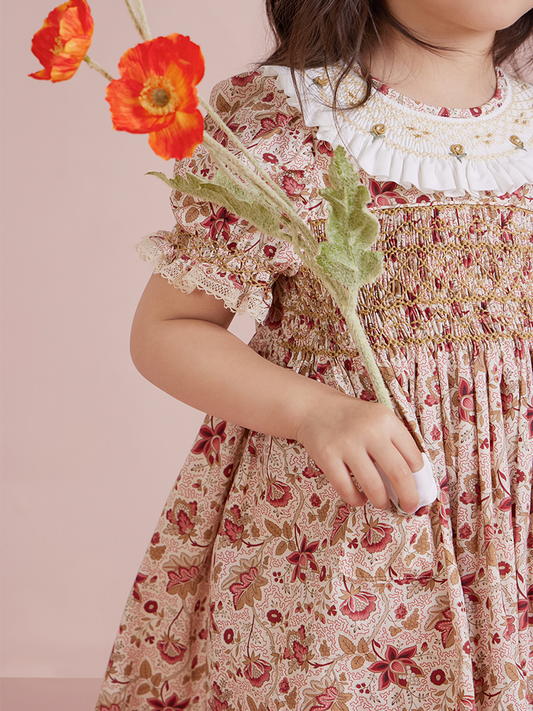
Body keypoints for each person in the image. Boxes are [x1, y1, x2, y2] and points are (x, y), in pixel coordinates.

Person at [95, 1, 533, 709]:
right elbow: (168, 327)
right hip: (341, 540)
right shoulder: (290, 132)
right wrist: (315, 411)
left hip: (511, 539)